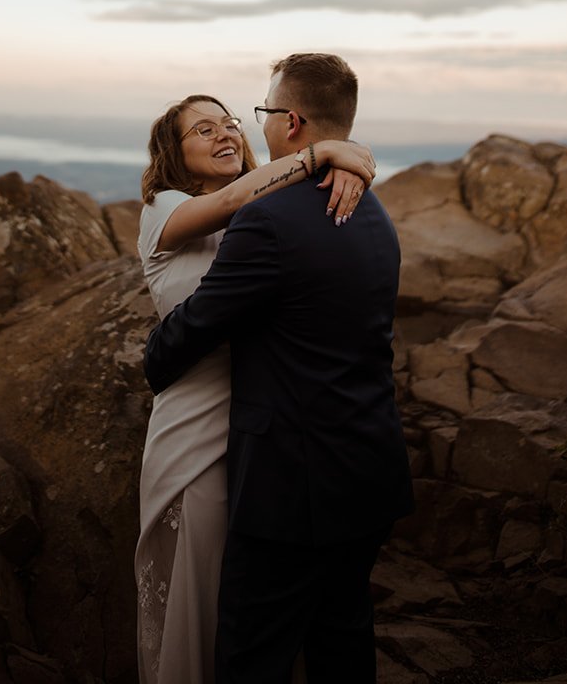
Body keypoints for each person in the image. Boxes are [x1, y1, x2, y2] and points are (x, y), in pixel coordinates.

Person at [144, 55, 413, 684]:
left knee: (253, 653)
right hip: (368, 468)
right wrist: (341, 156)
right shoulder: (372, 211)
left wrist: (153, 356)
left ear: (290, 122)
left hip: (294, 481)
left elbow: (204, 320)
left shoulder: (270, 217)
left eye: (253, 116)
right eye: (202, 129)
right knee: (341, 641)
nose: (244, 129)